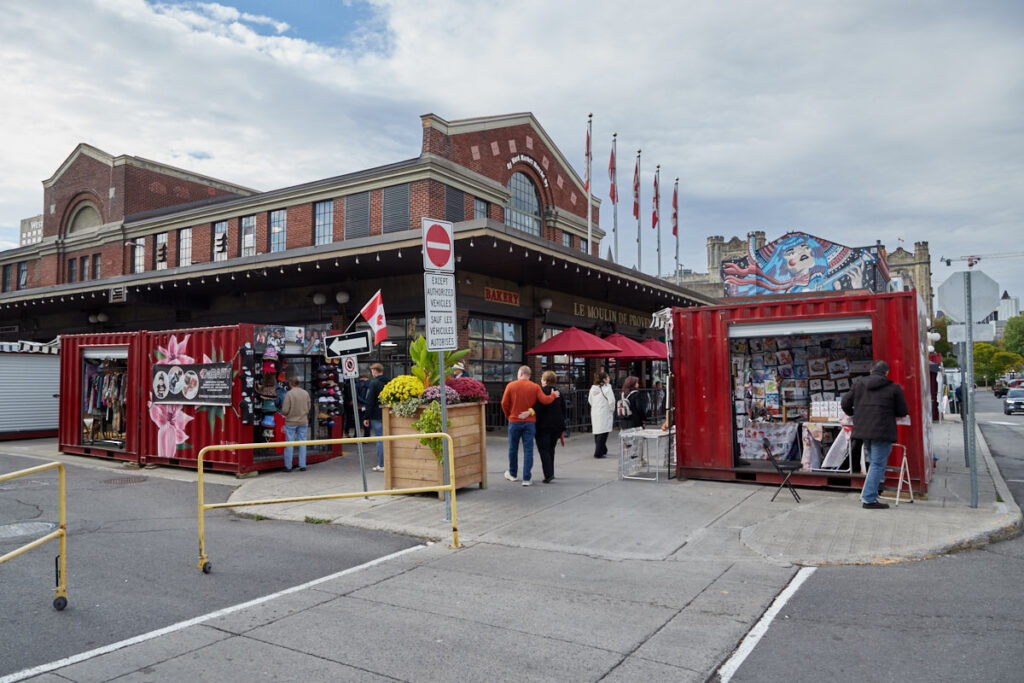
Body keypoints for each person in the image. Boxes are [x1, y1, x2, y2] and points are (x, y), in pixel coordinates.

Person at [841, 360, 908, 509]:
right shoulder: (894, 388)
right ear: (886, 373)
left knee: (874, 463)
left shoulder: (859, 384)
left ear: (871, 371)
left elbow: (845, 402)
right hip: (883, 431)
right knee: (877, 464)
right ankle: (869, 498)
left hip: (864, 430)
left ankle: (871, 493)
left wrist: (854, 413)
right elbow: (903, 411)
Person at [501, 366, 558, 486]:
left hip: (514, 421)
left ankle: (513, 474)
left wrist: (509, 416)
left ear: (520, 373)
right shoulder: (535, 387)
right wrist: (553, 396)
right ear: (529, 375)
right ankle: (526, 478)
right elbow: (545, 400)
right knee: (528, 450)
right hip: (530, 422)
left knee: (513, 448)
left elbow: (504, 403)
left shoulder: (511, 386)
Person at [533, 370, 565, 484]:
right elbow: (563, 408)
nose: (541, 380)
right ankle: (551, 472)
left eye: (542, 379)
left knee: (544, 450)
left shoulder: (540, 392)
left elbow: (538, 407)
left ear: (545, 381)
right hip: (557, 425)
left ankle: (548, 474)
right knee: (551, 448)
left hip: (543, 425)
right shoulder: (559, 392)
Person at [280, 376, 312, 472]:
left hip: (291, 422)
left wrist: (285, 414)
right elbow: (309, 407)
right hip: (303, 421)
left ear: (290, 384)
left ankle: (288, 466)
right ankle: (302, 465)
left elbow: (285, 410)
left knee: (289, 443)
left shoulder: (289, 394)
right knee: (303, 443)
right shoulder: (305, 393)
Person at [363, 363, 389, 472]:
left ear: (375, 371)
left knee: (380, 439)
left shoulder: (374, 383)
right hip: (387, 413)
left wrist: (366, 417)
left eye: (372, 371)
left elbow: (369, 401)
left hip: (376, 414)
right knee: (388, 438)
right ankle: (388, 463)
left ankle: (382, 464)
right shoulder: (389, 381)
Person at [588, 370, 615, 458]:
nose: (609, 379)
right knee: (603, 433)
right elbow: (611, 401)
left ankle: (603, 449)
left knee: (597, 432)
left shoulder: (593, 388)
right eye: (607, 377)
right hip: (605, 412)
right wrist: (612, 409)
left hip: (595, 412)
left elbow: (590, 400)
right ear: (604, 379)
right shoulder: (607, 388)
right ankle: (598, 453)